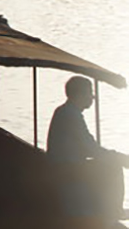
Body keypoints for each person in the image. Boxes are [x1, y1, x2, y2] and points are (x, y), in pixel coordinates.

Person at [47, 75, 129, 219]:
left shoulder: (67, 112)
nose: (93, 97)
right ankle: (115, 209)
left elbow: (88, 147)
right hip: (66, 168)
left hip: (66, 166)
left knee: (109, 162)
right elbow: (91, 149)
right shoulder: (70, 114)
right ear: (80, 94)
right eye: (90, 93)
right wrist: (120, 158)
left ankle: (105, 207)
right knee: (113, 166)